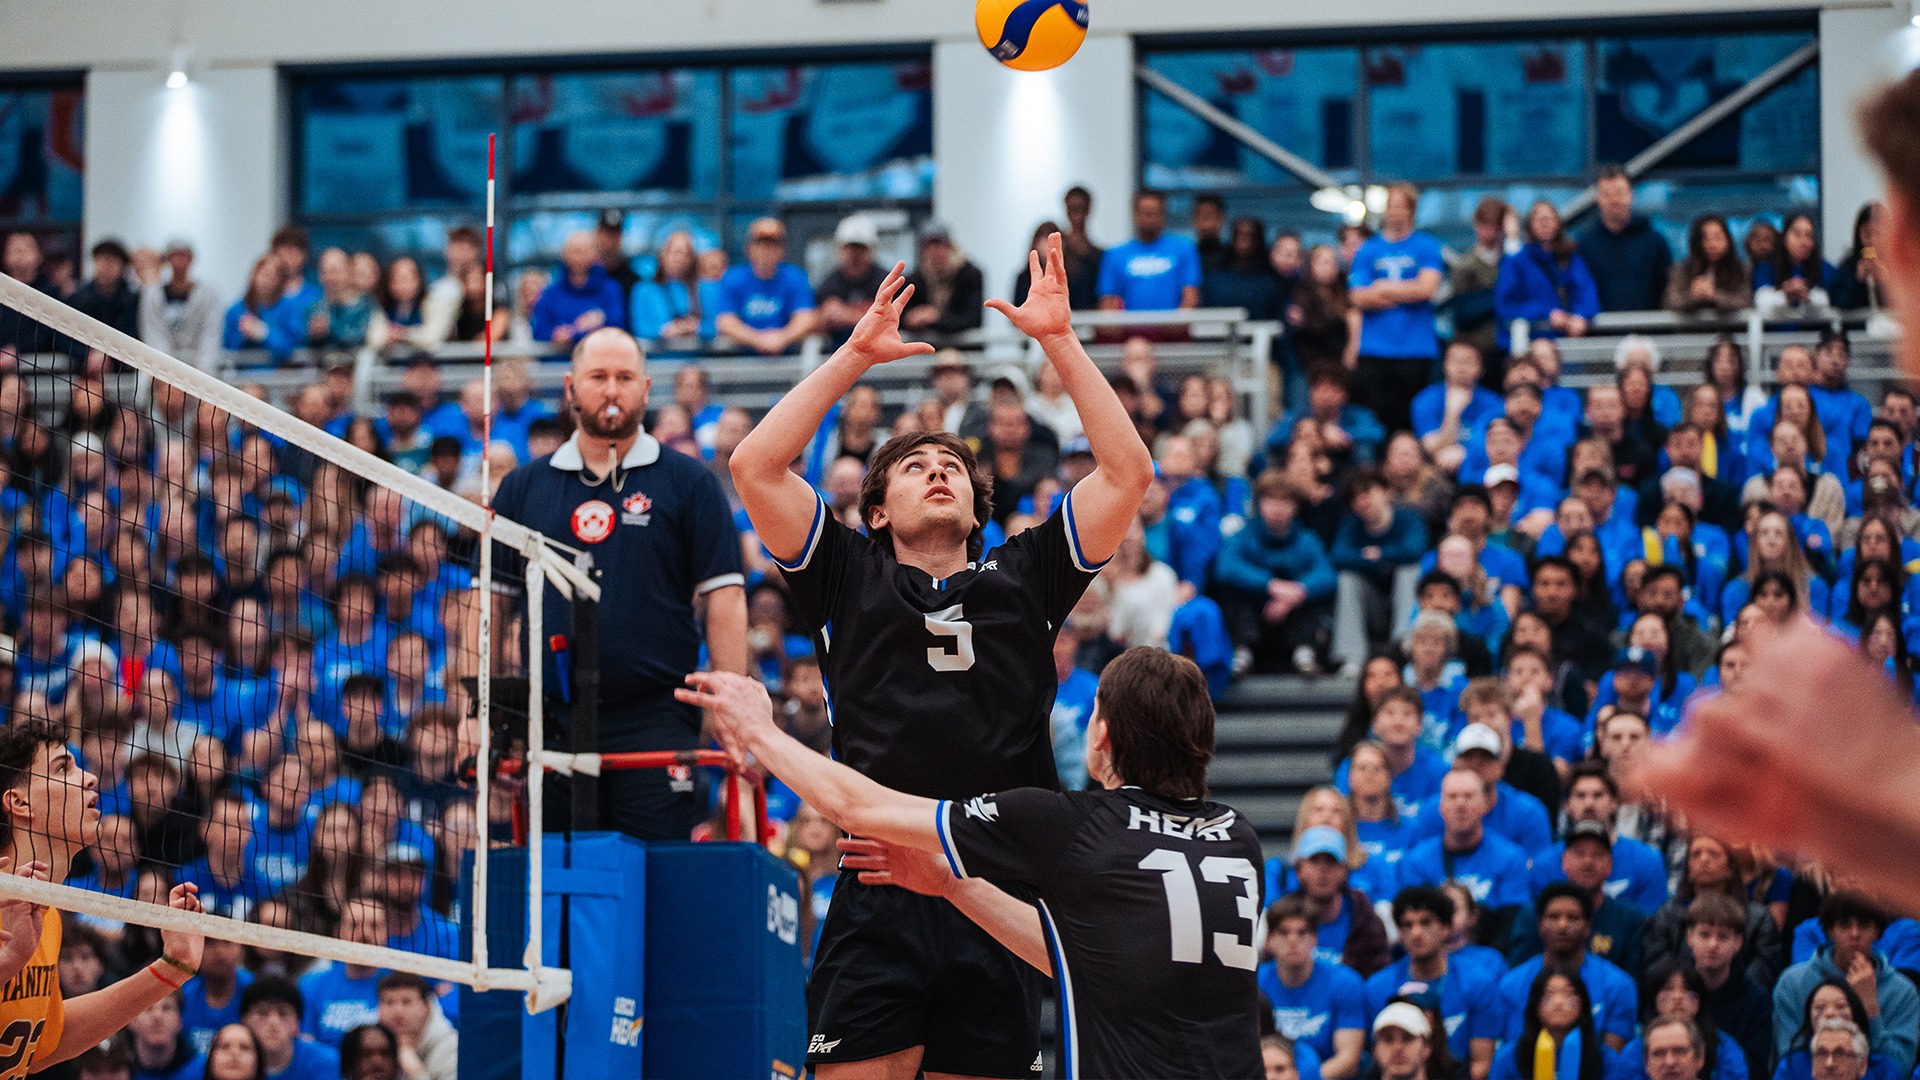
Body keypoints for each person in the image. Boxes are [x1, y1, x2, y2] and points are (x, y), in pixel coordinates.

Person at [725, 239, 1152, 1079]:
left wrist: (1059, 341)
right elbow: (754, 464)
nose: (938, 473)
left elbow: (1128, 471)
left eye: (951, 465)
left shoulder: (1026, 573)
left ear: (976, 510)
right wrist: (853, 353)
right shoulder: (845, 571)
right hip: (879, 878)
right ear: (877, 512)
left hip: (992, 886)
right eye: (915, 468)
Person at [678, 647, 1264, 1080]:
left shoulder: (1077, 824)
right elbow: (1086, 957)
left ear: (1102, 735)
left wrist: (759, 730)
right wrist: (953, 887)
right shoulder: (1238, 840)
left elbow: (859, 805)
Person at [488, 328, 747, 841]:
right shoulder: (524, 487)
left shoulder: (689, 482)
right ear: (570, 387)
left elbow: (726, 596)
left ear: (646, 388)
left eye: (624, 378)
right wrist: (491, 712)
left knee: (659, 884)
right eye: (598, 377)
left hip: (657, 715)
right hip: (551, 720)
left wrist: (730, 705)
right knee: (558, 884)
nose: (611, 390)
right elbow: (490, 608)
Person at [0, 718, 206, 1078]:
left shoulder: (46, 915)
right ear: (19, 802)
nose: (90, 777)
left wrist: (170, 970)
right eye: (63, 767)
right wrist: (7, 963)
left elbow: (44, 1045)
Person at [1772, 893, 1919, 1076]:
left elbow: (1901, 1067)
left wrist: (1870, 1009)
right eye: (1845, 925)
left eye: (1864, 926)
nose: (1854, 934)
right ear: (1830, 930)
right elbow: (1789, 1061)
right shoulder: (1792, 983)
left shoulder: (1903, 991)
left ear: (1877, 931)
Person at [1365, 887, 1500, 1079]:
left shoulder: (1478, 983)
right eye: (1407, 925)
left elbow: (1481, 1064)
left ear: (1446, 928)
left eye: (1426, 922)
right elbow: (1379, 1058)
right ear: (1400, 934)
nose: (1416, 933)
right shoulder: (1378, 988)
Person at [1347, 184, 1445, 434]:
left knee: (1411, 420)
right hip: (1375, 350)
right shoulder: (1368, 249)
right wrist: (1406, 292)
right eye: (1391, 206)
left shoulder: (1427, 246)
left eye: (1402, 206)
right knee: (1375, 421)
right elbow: (1357, 296)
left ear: (1412, 211)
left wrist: (1382, 287)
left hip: (1416, 349)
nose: (1396, 212)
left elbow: (1427, 289)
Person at [1497, 884, 1639, 1050]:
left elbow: (1611, 1061)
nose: (1562, 925)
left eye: (1572, 918)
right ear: (1540, 925)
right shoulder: (1511, 984)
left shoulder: (1618, 986)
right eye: (1553, 917)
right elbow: (1515, 1049)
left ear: (1587, 927)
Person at [1259, 895, 1368, 1080]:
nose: (1293, 940)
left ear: (1315, 939)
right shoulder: (1254, 982)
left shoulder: (1345, 982)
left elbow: (1348, 1060)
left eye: (1302, 932)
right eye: (1283, 932)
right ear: (1269, 940)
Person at [1495, 201, 1600, 352]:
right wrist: (1546, 314)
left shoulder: (1570, 258)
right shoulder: (1516, 261)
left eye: (1550, 219)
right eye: (1539, 219)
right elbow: (1505, 306)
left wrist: (1581, 315)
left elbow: (1585, 292)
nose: (1545, 224)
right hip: (1530, 345)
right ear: (1529, 225)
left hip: (1568, 343)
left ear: (1558, 223)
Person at [1488, 965, 1616, 1080]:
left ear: (1583, 1004)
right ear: (1535, 1004)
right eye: (1549, 993)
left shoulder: (1606, 1059)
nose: (1558, 1002)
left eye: (1568, 993)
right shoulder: (1507, 1058)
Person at [1576, 166, 1674, 313]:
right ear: (1598, 199)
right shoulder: (1585, 246)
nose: (1614, 200)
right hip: (1598, 334)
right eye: (1607, 194)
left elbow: (1667, 292)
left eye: (1620, 193)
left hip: (1648, 332)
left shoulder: (1655, 242)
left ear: (1631, 195)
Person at [714, 217, 817, 355]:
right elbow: (725, 321)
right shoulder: (734, 278)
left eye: (773, 244)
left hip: (786, 360)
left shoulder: (795, 277)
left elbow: (806, 318)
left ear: (782, 250)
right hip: (743, 361)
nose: (766, 250)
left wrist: (782, 338)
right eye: (760, 244)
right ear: (749, 248)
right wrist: (757, 339)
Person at [1097, 190, 1202, 312]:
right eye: (1146, 213)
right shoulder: (1115, 255)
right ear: (1135, 214)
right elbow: (1108, 302)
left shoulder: (1184, 249)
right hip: (1129, 330)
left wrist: (1175, 325)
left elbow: (1191, 296)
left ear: (1164, 214)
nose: (1150, 219)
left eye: (1155, 213)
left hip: (1174, 329)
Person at [139, 240, 222, 373]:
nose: (179, 262)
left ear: (191, 259)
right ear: (168, 260)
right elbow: (153, 333)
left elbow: (210, 334)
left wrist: (204, 370)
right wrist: (164, 369)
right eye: (174, 256)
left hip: (199, 366)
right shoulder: (153, 295)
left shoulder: (209, 295)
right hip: (163, 367)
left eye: (183, 256)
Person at [530, 231, 626, 346]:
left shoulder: (610, 289)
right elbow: (539, 330)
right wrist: (555, 334)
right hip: (558, 362)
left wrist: (601, 322)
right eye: (574, 251)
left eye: (583, 251)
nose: (578, 258)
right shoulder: (550, 293)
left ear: (595, 254)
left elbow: (619, 326)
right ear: (564, 255)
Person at [238, 978, 338, 1080]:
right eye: (263, 1013)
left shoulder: (324, 1062)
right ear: (245, 1021)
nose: (273, 1022)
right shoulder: (232, 1060)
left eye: (283, 1014)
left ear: (297, 1023)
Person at [901, 223, 985, 338]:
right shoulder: (915, 278)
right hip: (927, 349)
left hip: (962, 347)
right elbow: (901, 317)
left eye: (940, 245)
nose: (935, 252)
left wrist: (935, 318)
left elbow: (973, 319)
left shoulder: (970, 274)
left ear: (950, 247)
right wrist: (910, 318)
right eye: (929, 247)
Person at [815, 215, 888, 341]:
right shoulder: (828, 284)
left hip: (878, 349)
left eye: (860, 248)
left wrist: (846, 314)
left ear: (871, 250)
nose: (854, 255)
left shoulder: (885, 281)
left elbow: (887, 318)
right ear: (840, 249)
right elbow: (823, 319)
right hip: (840, 350)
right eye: (849, 248)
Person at [1664, 216, 1751, 316]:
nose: (1712, 244)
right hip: (1692, 330)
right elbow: (1669, 302)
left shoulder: (1741, 270)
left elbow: (1747, 301)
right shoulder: (1681, 270)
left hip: (1731, 330)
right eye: (1705, 239)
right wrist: (1692, 296)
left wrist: (1715, 295)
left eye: (1717, 237)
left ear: (1728, 240)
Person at [373, 974, 453, 1080]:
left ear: (427, 1007)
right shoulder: (370, 1048)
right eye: (389, 1003)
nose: (398, 1011)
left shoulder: (451, 1047)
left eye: (406, 1002)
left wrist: (415, 1072)